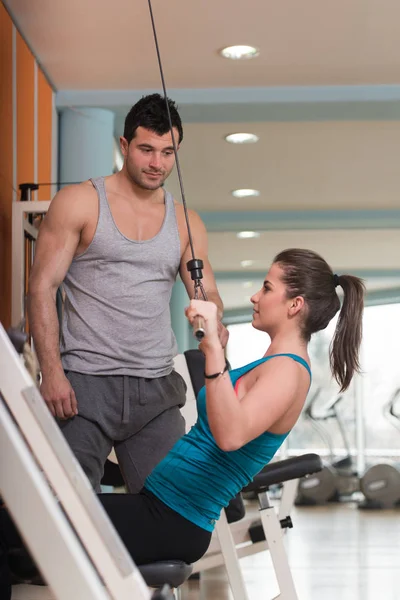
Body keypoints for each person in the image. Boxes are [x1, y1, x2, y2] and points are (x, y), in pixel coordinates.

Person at [1, 248, 365, 577]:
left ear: (294, 304)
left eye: (267, 288)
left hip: (173, 520)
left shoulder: (289, 371)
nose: (255, 296)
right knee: (21, 530)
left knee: (16, 522)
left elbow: (231, 435)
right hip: (160, 509)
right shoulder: (272, 364)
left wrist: (211, 349)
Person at [27, 93, 228, 494]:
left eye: (168, 152)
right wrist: (51, 372)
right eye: (147, 150)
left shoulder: (187, 222)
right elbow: (41, 287)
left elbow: (207, 294)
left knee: (172, 509)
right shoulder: (79, 202)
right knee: (71, 510)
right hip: (84, 384)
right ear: (124, 146)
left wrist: (214, 325)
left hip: (155, 388)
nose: (157, 163)